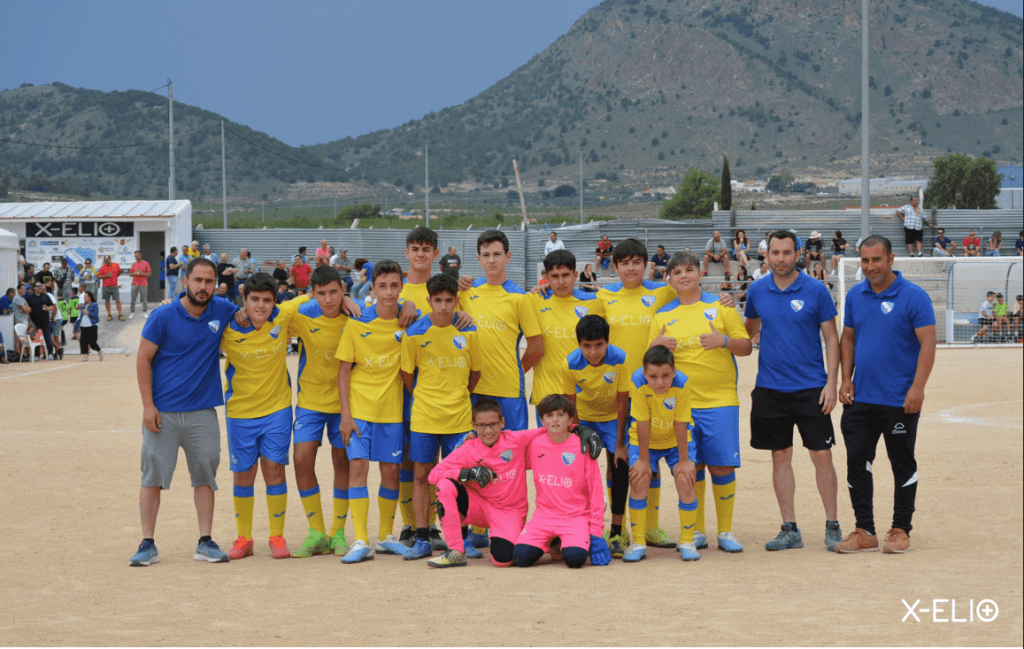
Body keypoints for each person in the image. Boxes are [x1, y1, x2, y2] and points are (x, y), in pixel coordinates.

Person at [131, 257, 239, 566]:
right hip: (162, 413)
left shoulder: (223, 310)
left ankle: (205, 541)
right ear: (185, 281)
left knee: (205, 476)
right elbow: (143, 359)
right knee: (152, 477)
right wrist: (148, 406)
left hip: (202, 412)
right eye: (197, 280)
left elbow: (254, 312)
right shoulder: (163, 316)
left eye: (209, 281)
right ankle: (147, 543)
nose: (203, 287)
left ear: (215, 284)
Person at [744, 230, 843, 553]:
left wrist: (831, 383)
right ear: (766, 255)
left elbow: (831, 339)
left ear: (798, 254)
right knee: (780, 456)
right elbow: (748, 334)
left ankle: (832, 525)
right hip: (770, 388)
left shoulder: (816, 290)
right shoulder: (757, 290)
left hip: (811, 388)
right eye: (775, 253)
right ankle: (790, 529)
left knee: (822, 455)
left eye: (787, 252)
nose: (781, 258)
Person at [836, 235, 935, 555]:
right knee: (857, 462)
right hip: (861, 398)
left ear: (891, 259)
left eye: (877, 259)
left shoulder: (914, 296)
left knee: (902, 463)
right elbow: (848, 338)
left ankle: (901, 529)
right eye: (865, 260)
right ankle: (865, 530)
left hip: (899, 400)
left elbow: (928, 343)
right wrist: (846, 379)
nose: (870, 266)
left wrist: (917, 387)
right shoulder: (855, 295)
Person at [648, 251, 752, 553]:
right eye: (677, 272)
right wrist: (656, 345)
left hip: (720, 400)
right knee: (692, 465)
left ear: (700, 274)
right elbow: (650, 361)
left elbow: (746, 346)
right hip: (682, 405)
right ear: (669, 279)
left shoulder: (721, 307)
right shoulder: (662, 316)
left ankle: (726, 531)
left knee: (722, 464)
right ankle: (696, 531)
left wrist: (724, 341)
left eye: (689, 270)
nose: (684, 276)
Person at [338, 261, 419, 562]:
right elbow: (343, 371)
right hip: (359, 411)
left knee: (391, 473)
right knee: (358, 468)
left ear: (402, 287)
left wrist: (412, 305)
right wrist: (346, 415)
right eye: (382, 286)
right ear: (372, 288)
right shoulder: (357, 321)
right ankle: (360, 540)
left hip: (391, 413)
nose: (388, 292)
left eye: (394, 286)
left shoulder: (409, 321)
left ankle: (385, 537)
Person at [221, 272, 304, 561]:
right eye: (254, 299)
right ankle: (244, 538)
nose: (260, 306)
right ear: (243, 299)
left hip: (277, 410)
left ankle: (276, 536)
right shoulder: (227, 325)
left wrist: (345, 298)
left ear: (275, 302)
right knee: (243, 473)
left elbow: (315, 295)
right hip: (240, 412)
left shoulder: (283, 316)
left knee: (275, 470)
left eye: (267, 300)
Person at [400, 273, 482, 560]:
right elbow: (407, 375)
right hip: (424, 417)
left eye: (449, 300)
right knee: (422, 475)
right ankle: (423, 537)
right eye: (438, 300)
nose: (444, 306)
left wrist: (458, 395)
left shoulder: (469, 331)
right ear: (429, 301)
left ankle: (461, 538)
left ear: (457, 301)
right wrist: (426, 396)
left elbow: (475, 373)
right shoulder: (415, 333)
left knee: (460, 477)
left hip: (458, 418)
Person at [284, 266, 355, 559]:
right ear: (313, 293)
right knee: (301, 459)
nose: (328, 299)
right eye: (321, 293)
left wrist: (351, 301)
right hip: (310, 403)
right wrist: (304, 297)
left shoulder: (355, 318)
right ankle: (316, 532)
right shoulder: (304, 317)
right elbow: (279, 313)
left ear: (343, 290)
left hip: (344, 405)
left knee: (342, 462)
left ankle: (338, 532)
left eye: (334, 292)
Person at [458, 229, 543, 434]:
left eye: (497, 254)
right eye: (486, 255)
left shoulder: (520, 298)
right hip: (473, 388)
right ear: (478, 258)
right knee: (474, 448)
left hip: (508, 390)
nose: (491, 260)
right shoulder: (466, 292)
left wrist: (514, 372)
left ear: (508, 256)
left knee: (511, 448)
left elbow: (536, 347)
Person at [512, 395, 610, 568]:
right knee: (520, 558)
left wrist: (596, 533)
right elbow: (507, 453)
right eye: (549, 415)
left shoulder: (583, 446)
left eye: (560, 415)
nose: (555, 420)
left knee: (575, 559)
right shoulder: (535, 445)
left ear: (571, 420)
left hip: (575, 516)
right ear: (542, 420)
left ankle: (582, 535)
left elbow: (595, 490)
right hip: (544, 516)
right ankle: (555, 541)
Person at [623, 345, 699, 562]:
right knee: (639, 478)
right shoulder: (637, 381)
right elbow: (642, 421)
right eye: (653, 377)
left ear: (674, 371)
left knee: (685, 478)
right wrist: (643, 460)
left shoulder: (682, 383)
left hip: (676, 440)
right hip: (645, 439)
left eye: (665, 376)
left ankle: (687, 541)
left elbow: (681, 421)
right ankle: (639, 542)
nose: (659, 382)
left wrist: (684, 461)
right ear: (644, 373)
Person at [564, 315, 631, 557]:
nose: (593, 352)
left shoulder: (620, 358)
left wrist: (620, 444)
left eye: (599, 345)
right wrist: (577, 434)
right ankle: (583, 526)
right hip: (585, 418)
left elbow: (623, 402)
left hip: (613, 418)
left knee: (620, 465)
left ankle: (617, 532)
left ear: (607, 342)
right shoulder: (570, 363)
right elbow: (570, 405)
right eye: (587, 346)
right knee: (580, 469)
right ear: (579, 344)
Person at [526, 250, 605, 425]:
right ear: (546, 277)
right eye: (555, 276)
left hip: (581, 395)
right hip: (546, 395)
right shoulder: (535, 300)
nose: (561, 281)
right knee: (547, 443)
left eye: (566, 275)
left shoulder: (592, 303)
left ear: (575, 275)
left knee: (580, 442)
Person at [25, 282, 56, 359]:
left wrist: (47, 308)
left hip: (45, 321)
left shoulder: (45, 296)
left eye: (41, 285)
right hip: (35, 322)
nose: (40, 287)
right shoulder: (30, 298)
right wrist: (30, 320)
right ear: (34, 288)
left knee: (47, 337)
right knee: (37, 339)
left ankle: (50, 354)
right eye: (38, 286)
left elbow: (53, 307)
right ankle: (37, 355)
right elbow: (28, 310)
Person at [73, 290, 102, 361]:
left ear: (90, 297)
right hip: (83, 325)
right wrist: (79, 326)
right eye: (84, 296)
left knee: (92, 342)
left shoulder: (94, 305)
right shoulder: (83, 305)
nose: (85, 298)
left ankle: (99, 351)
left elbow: (96, 315)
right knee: (83, 341)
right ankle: (85, 356)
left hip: (92, 325)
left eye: (86, 296)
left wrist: (88, 313)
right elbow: (81, 316)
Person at [97, 255, 123, 321]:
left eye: (107, 259)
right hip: (105, 287)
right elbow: (99, 276)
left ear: (110, 259)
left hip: (114, 286)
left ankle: (120, 314)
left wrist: (114, 277)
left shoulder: (116, 265)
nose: (106, 261)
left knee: (117, 300)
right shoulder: (102, 267)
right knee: (107, 301)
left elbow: (119, 272)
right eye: (105, 260)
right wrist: (106, 276)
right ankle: (109, 315)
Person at [128, 250, 151, 319]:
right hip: (134, 283)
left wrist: (142, 274)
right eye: (135, 256)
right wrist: (134, 274)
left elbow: (149, 274)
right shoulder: (133, 264)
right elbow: (130, 274)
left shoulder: (146, 263)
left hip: (143, 284)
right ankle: (132, 312)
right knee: (133, 298)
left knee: (144, 299)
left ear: (140, 255)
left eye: (137, 255)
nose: (136, 257)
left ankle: (145, 312)